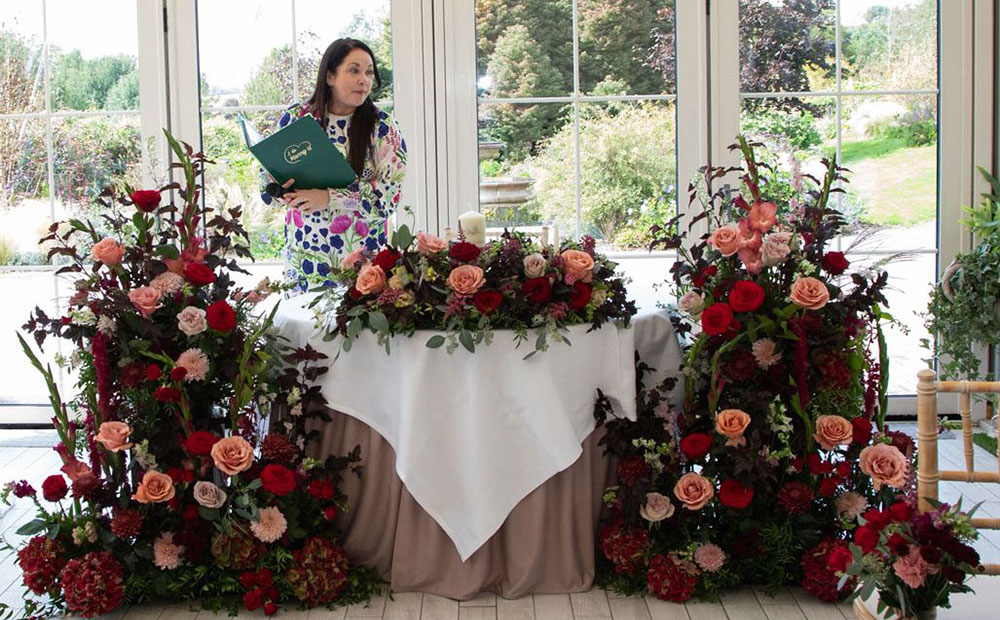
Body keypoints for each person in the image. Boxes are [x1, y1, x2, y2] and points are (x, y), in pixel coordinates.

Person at [261, 38, 407, 295]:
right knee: (306, 332)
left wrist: (330, 198)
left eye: (369, 72)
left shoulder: (383, 127)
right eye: (354, 70)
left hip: (364, 265)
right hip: (305, 259)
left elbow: (389, 197)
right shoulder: (297, 118)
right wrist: (277, 188)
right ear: (330, 76)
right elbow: (266, 185)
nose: (364, 79)